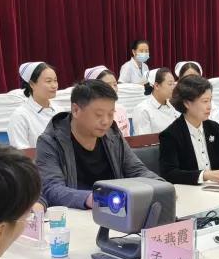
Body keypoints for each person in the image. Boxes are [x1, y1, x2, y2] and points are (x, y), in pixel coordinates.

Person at [36, 79, 162, 208]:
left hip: (114, 210)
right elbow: (52, 189)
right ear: (76, 110)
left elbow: (137, 170)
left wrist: (162, 186)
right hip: (75, 213)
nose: (106, 121)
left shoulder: (113, 134)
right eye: (98, 115)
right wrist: (94, 198)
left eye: (111, 114)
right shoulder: (50, 141)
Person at [159, 75, 219, 185]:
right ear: (187, 103)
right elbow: (169, 174)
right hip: (189, 192)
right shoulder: (170, 135)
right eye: (205, 101)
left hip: (218, 190)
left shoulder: (212, 128)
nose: (209, 106)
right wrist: (204, 175)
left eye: (210, 100)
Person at [7, 62, 58, 149]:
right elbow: (21, 152)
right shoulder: (20, 116)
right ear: (32, 84)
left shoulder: (60, 110)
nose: (54, 86)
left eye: (55, 80)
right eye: (48, 81)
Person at [173, 61, 219, 127]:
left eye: (195, 77)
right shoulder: (173, 104)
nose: (192, 82)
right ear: (180, 80)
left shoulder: (210, 103)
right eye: (188, 78)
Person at [84, 66, 130, 136]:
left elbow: (127, 137)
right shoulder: (88, 116)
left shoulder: (121, 110)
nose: (113, 89)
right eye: (107, 85)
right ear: (93, 88)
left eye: (115, 84)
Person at [131, 67, 178, 135]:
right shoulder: (143, 110)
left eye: (174, 84)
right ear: (156, 86)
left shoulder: (172, 105)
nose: (173, 87)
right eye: (170, 84)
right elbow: (144, 139)